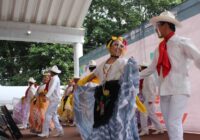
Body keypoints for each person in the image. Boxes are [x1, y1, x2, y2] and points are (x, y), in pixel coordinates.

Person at [140, 11, 200, 140]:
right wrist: (132, 77)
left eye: (157, 26)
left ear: (165, 25)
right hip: (164, 90)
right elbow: (150, 69)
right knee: (169, 123)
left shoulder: (182, 42)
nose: (156, 30)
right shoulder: (159, 48)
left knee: (173, 122)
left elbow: (198, 57)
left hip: (179, 88)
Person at [76, 36, 140, 140]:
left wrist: (135, 67)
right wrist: (79, 86)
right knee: (102, 120)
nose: (119, 47)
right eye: (116, 45)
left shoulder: (123, 62)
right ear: (109, 47)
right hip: (103, 96)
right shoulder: (101, 65)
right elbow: (90, 77)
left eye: (121, 46)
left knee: (116, 120)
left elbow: (131, 74)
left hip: (117, 95)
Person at [38, 65, 64, 138]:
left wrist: (46, 97)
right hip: (54, 99)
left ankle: (45, 133)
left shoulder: (55, 79)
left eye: (50, 72)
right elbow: (51, 88)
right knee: (54, 115)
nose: (49, 73)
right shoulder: (54, 78)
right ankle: (60, 131)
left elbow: (52, 88)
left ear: (52, 72)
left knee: (47, 115)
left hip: (54, 100)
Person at [139, 64, 163, 136]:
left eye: (141, 68)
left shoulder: (149, 76)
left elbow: (152, 89)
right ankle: (159, 128)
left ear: (144, 68)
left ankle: (145, 130)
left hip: (148, 98)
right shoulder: (146, 76)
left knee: (143, 113)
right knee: (151, 114)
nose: (140, 69)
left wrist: (151, 99)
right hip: (147, 98)